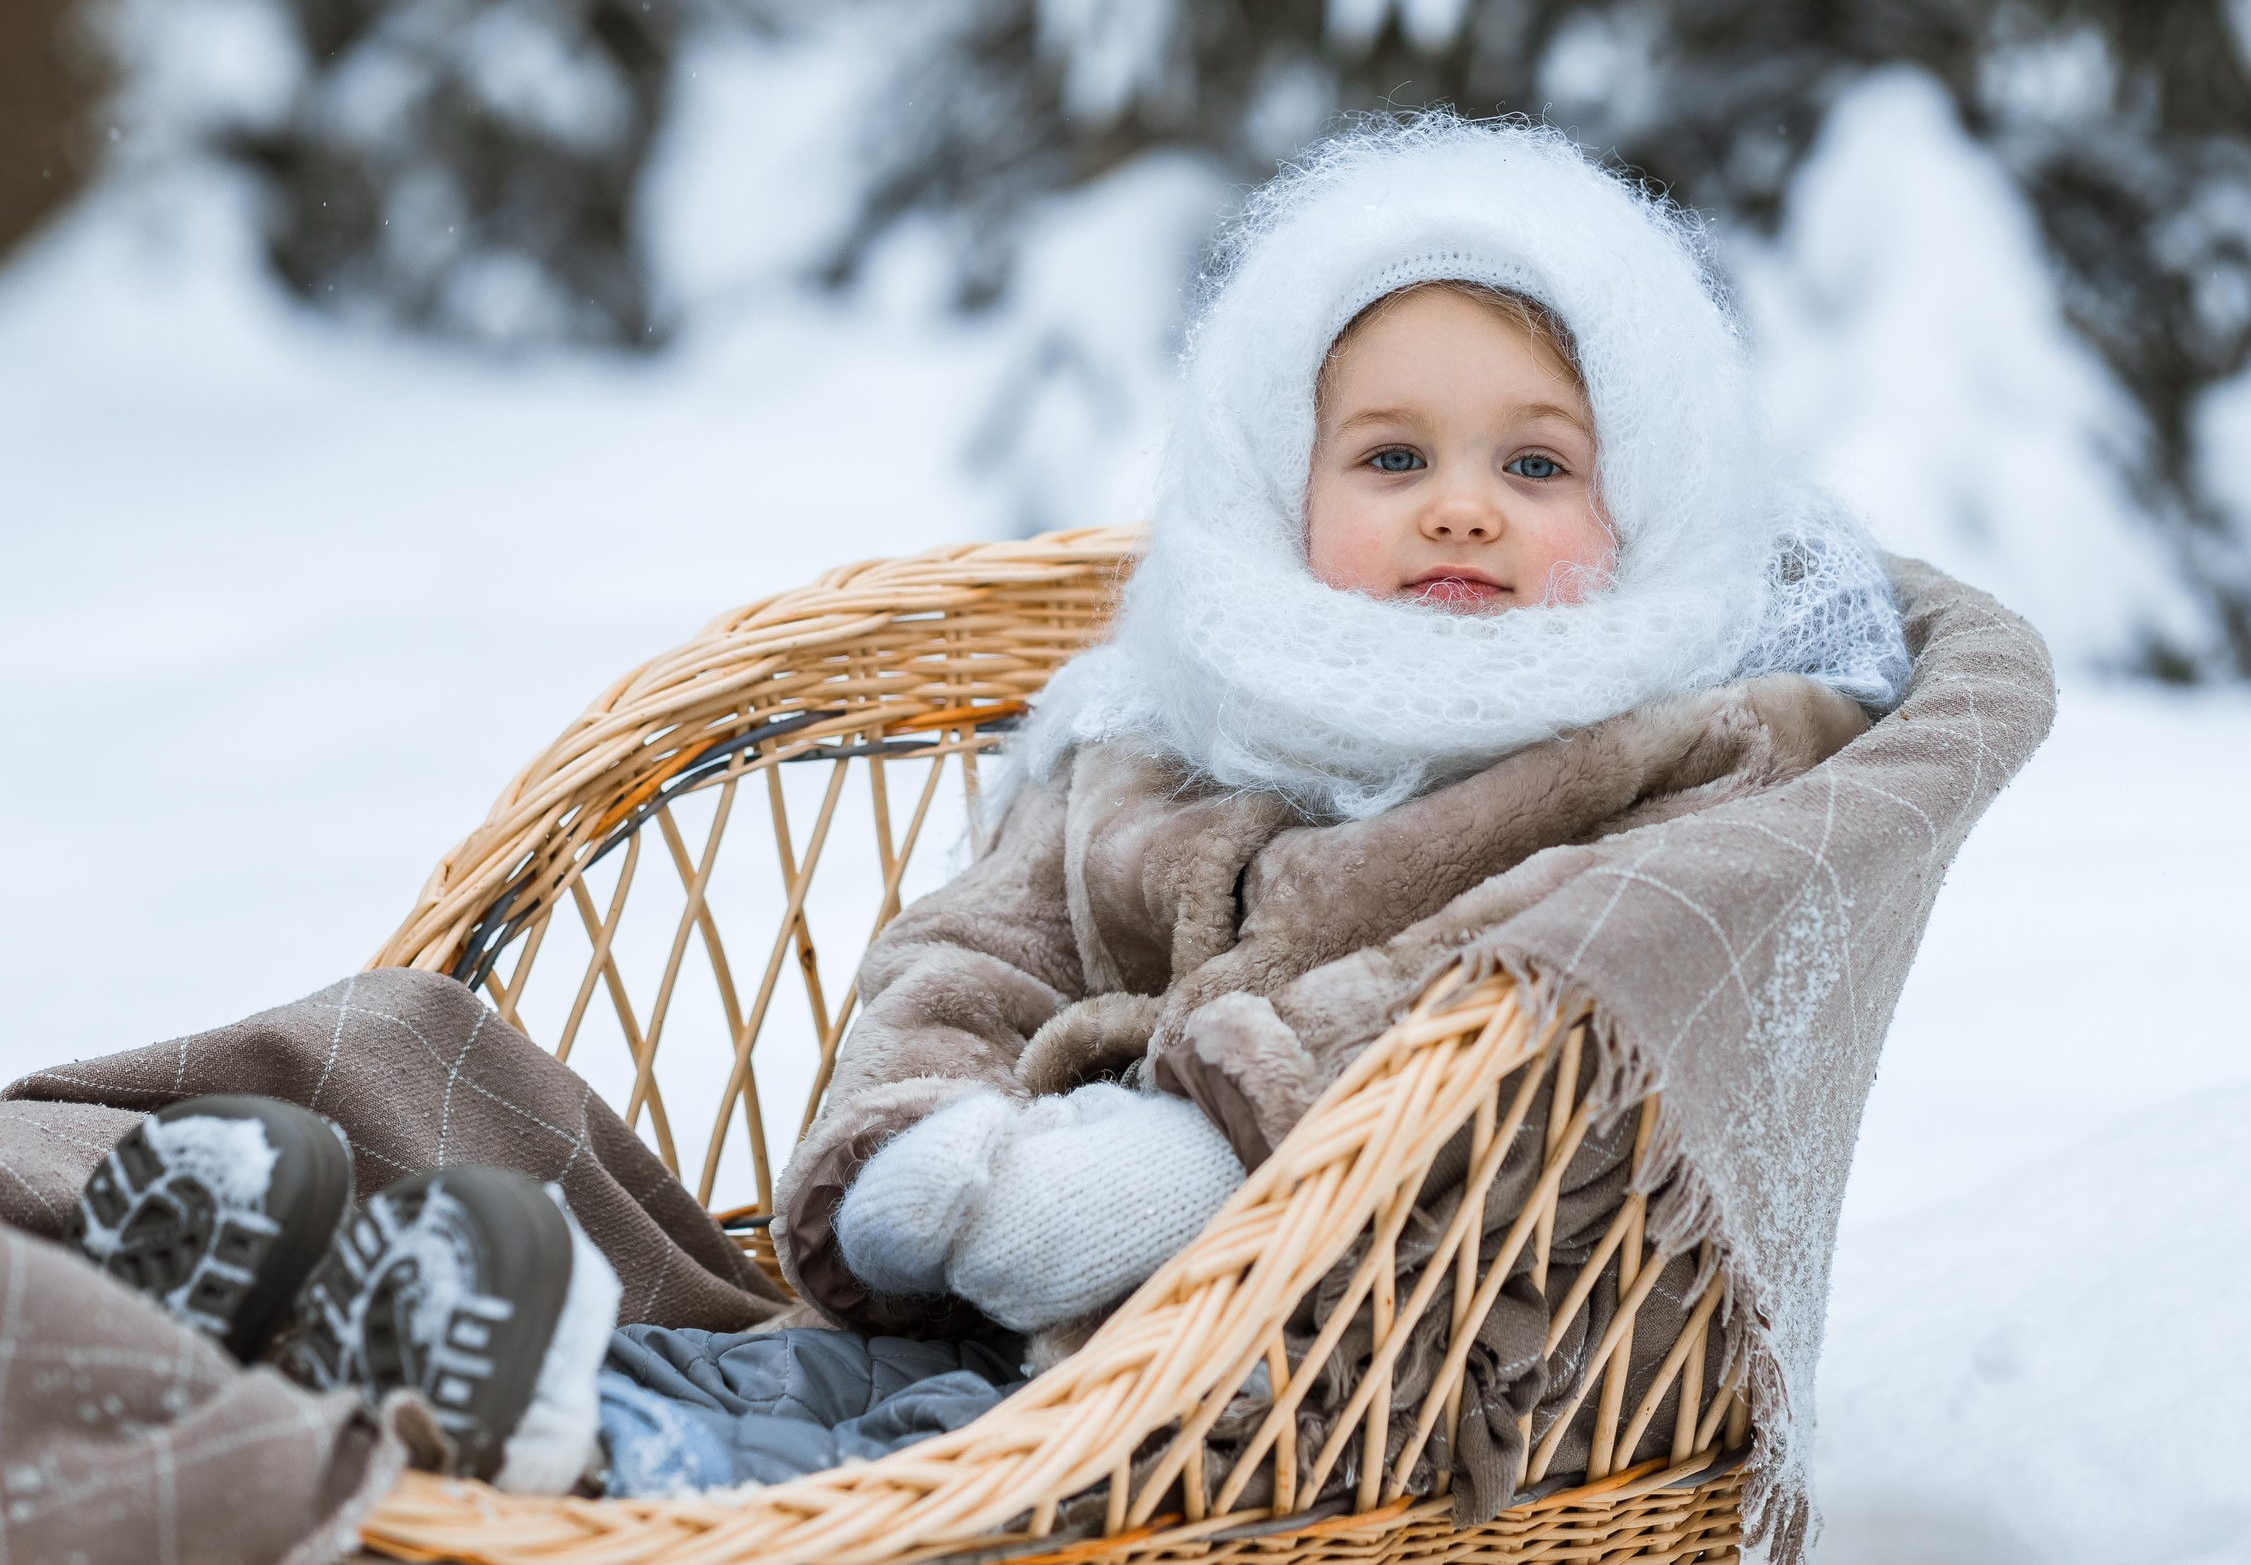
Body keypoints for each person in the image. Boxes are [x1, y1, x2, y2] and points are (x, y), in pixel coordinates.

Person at [6, 114, 1945, 1539]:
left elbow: (1526, 987)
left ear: (1648, 502)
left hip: (1356, 1377)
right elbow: (982, 935)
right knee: (803, 1380)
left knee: (875, 1491)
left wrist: (1192, 1152)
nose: (1459, 508)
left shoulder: (1663, 751)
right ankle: (376, 1307)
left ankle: (562, 1438)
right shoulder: (1176, 721)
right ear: (1279, 495)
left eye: (1533, 462)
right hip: (1003, 1322)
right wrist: (920, 1137)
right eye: (1390, 457)